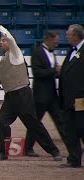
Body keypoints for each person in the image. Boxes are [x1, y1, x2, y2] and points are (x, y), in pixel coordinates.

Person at [0, 19, 62, 161]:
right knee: (1, 122)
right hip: (10, 97)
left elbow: (9, 37)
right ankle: (2, 152)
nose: (1, 42)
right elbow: (11, 76)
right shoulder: (4, 59)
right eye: (1, 41)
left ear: (10, 43)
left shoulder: (15, 53)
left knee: (34, 125)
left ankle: (54, 151)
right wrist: (1, 81)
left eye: (3, 40)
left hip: (23, 95)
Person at [25, 32, 68, 157]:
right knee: (35, 123)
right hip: (40, 96)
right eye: (55, 41)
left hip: (52, 95)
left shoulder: (52, 53)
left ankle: (72, 147)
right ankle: (28, 148)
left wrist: (59, 73)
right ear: (48, 39)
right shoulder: (37, 52)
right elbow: (37, 72)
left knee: (60, 121)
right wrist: (54, 70)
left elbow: (50, 72)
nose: (57, 44)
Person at [59, 24, 84, 168]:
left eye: (68, 34)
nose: (66, 36)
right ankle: (74, 159)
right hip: (68, 100)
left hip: (80, 99)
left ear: (76, 36)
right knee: (70, 130)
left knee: (81, 127)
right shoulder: (71, 51)